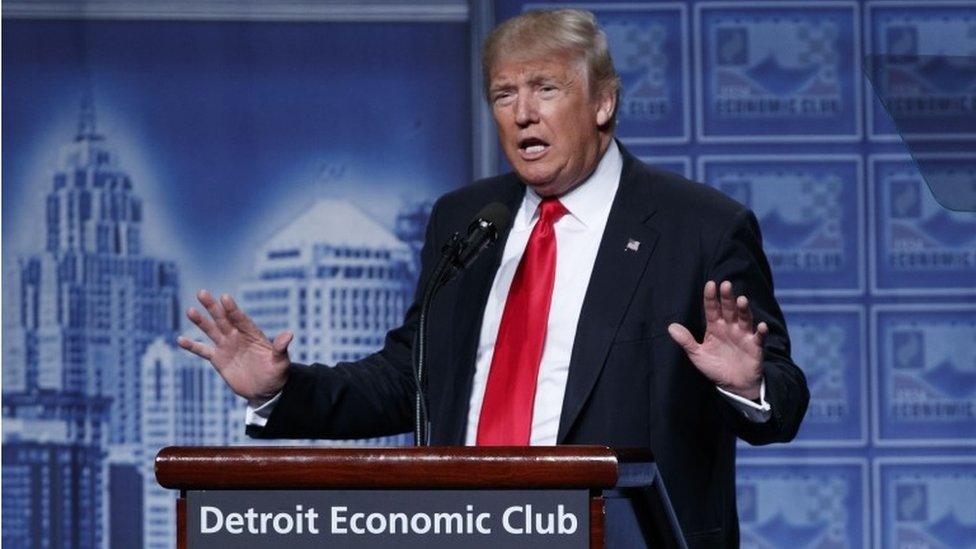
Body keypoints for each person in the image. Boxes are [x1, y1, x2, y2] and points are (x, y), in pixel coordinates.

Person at [178, 9, 808, 547]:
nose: (523, 114)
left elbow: (782, 401)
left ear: (603, 103)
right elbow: (412, 377)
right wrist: (282, 391)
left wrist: (750, 386)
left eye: (547, 89)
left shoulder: (698, 227)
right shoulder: (468, 221)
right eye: (505, 95)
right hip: (470, 528)